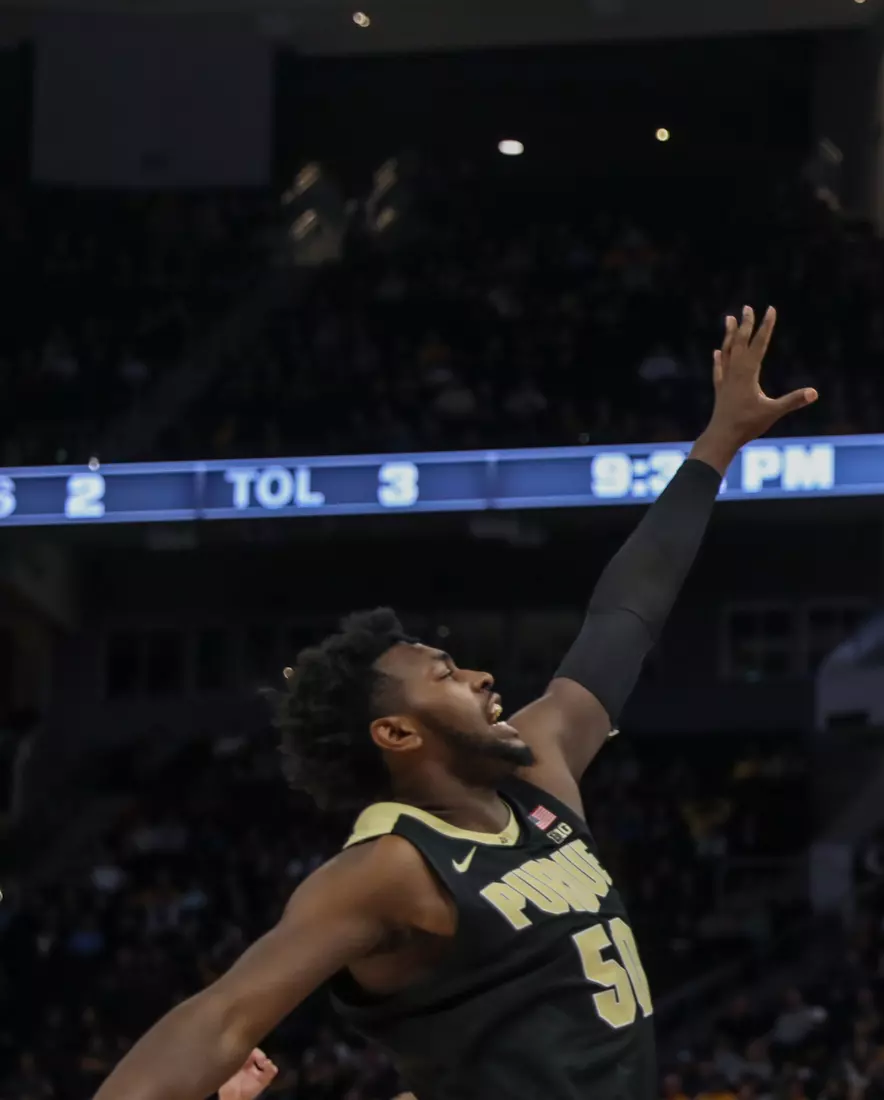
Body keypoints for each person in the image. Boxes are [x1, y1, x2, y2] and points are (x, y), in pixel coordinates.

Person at [92, 306, 816, 1100]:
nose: (480, 679)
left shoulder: (538, 774)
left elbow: (623, 621)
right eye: (445, 675)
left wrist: (716, 446)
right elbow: (222, 1018)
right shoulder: (388, 869)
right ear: (396, 732)